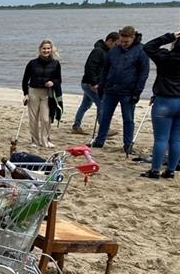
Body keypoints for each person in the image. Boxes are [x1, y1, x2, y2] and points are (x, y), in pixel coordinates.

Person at [92, 26, 150, 154]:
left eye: (126, 42)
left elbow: (143, 73)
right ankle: (99, 140)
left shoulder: (141, 50)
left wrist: (137, 92)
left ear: (133, 38)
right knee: (105, 116)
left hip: (128, 92)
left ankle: (128, 144)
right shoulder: (114, 50)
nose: (123, 44)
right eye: (121, 41)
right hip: (110, 89)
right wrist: (101, 86)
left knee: (128, 119)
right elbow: (105, 69)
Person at [140, 30, 180, 179]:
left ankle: (155, 170)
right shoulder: (165, 56)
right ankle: (170, 171)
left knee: (161, 138)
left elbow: (148, 47)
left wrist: (170, 36)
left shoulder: (165, 57)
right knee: (176, 139)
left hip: (165, 100)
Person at [71, 31, 120, 134]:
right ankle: (103, 128)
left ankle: (76, 125)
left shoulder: (107, 52)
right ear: (110, 41)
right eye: (116, 44)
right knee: (101, 104)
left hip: (93, 83)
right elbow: (89, 67)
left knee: (85, 104)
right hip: (90, 84)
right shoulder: (98, 51)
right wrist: (93, 83)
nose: (116, 47)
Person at [22, 39, 62, 149]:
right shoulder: (32, 63)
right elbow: (25, 80)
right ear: (40, 49)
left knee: (45, 119)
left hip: (47, 93)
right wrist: (25, 94)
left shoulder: (55, 63)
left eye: (48, 48)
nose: (46, 50)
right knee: (33, 119)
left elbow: (59, 80)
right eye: (44, 48)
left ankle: (46, 140)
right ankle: (34, 141)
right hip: (33, 92)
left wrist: (53, 82)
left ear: (51, 49)